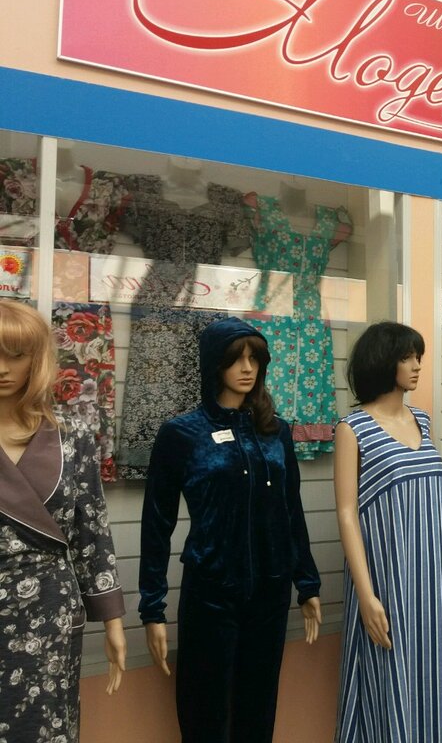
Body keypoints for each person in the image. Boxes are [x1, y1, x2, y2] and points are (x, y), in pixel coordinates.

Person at [139, 316, 322, 743]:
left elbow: (290, 510)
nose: (247, 368)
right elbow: (157, 523)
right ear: (213, 364)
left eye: (254, 359)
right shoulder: (182, 434)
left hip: (270, 593)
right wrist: (152, 607)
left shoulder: (276, 432)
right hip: (212, 593)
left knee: (257, 710)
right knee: (205, 713)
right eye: (236, 359)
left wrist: (307, 583)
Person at [334, 321, 442, 742]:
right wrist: (366, 595)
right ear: (383, 361)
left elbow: (435, 497)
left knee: (431, 671)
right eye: (407, 357)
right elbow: (346, 513)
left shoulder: (423, 421)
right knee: (387, 675)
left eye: (418, 357)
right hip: (386, 577)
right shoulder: (353, 429)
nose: (417, 366)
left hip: (430, 579)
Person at [0, 300, 126, 743]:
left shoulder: (72, 435)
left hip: (50, 611)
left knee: (45, 726)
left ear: (37, 359)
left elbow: (92, 530)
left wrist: (112, 618)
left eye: (16, 355)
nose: (3, 368)